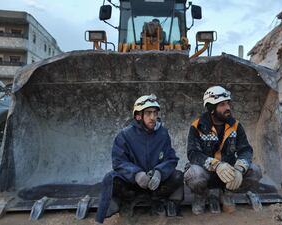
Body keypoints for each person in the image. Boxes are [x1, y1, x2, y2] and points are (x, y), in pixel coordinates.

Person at [96, 94, 183, 223]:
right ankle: (127, 202)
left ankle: (156, 200)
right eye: (148, 113)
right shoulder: (124, 135)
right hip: (132, 184)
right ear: (138, 116)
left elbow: (171, 159)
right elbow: (118, 162)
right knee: (111, 178)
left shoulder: (163, 134)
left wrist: (159, 172)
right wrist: (136, 174)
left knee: (177, 176)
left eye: (155, 113)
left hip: (155, 184)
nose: (153, 117)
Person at [184, 86, 262, 214]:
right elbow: (193, 154)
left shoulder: (235, 125)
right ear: (211, 109)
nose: (228, 108)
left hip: (229, 174)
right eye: (222, 104)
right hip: (207, 173)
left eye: (228, 103)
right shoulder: (197, 126)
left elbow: (245, 150)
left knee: (255, 171)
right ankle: (201, 195)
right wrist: (216, 165)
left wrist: (239, 168)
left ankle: (228, 194)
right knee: (194, 174)